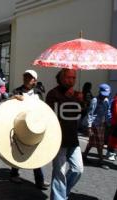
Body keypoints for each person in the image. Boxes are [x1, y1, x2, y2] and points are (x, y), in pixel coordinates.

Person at [46, 69, 84, 200]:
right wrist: (69, 98)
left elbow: (80, 114)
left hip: (73, 139)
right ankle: (58, 197)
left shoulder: (76, 95)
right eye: (68, 77)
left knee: (78, 169)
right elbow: (53, 115)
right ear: (61, 78)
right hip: (58, 139)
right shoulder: (53, 94)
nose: (71, 80)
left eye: (74, 78)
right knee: (59, 173)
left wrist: (81, 101)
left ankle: (63, 192)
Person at [10, 69, 49, 190]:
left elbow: (43, 108)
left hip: (34, 125)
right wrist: (13, 98)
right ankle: (14, 174)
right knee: (18, 149)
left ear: (35, 80)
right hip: (21, 124)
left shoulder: (38, 92)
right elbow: (9, 105)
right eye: (25, 77)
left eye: (30, 77)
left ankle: (39, 180)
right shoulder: (17, 91)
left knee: (35, 152)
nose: (27, 79)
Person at [83, 83, 112, 169]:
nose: (104, 96)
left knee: (91, 142)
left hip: (101, 124)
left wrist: (108, 122)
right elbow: (90, 114)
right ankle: (101, 161)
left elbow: (107, 112)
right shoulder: (95, 100)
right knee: (100, 143)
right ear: (99, 92)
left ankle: (84, 156)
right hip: (94, 125)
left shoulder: (106, 100)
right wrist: (89, 127)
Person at [107, 93, 117, 161]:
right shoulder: (115, 101)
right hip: (115, 123)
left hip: (114, 123)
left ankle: (111, 152)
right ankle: (111, 153)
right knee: (114, 138)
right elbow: (113, 112)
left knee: (113, 138)